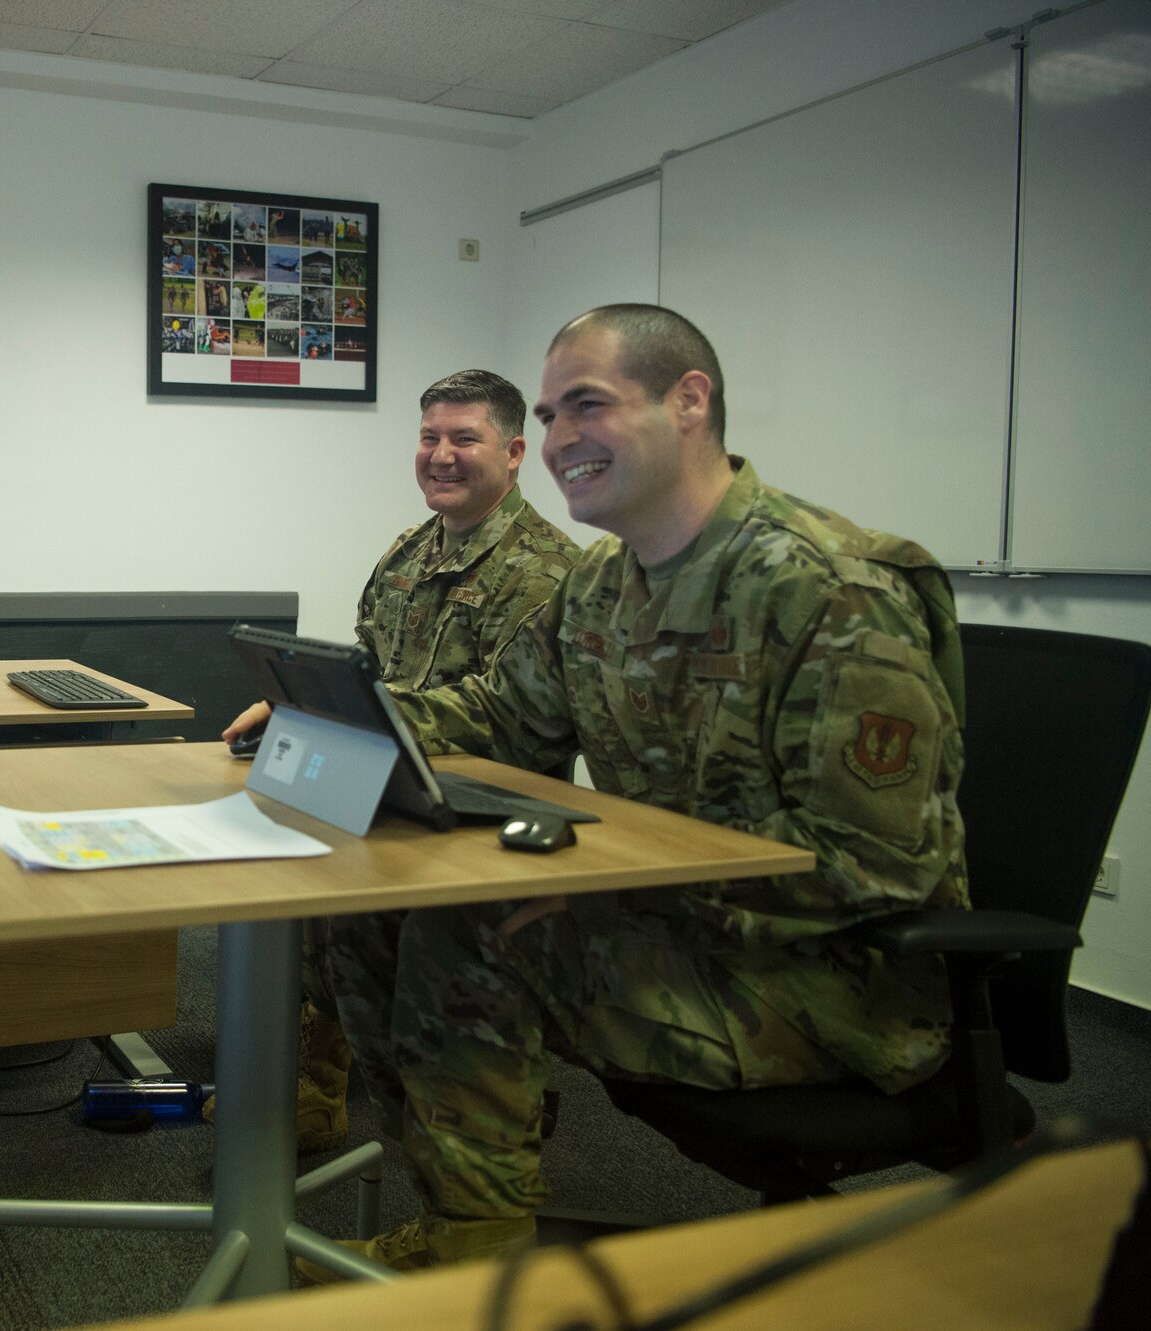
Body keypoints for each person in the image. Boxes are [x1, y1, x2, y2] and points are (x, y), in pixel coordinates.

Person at [310, 304, 967, 1278]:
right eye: (548, 413)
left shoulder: (828, 590)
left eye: (588, 405)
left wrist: (617, 885)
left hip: (828, 980)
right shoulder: (602, 587)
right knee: (377, 914)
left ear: (687, 401)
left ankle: (471, 1270)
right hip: (679, 930)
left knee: (468, 941)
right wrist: (339, 714)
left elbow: (872, 865)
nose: (560, 439)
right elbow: (496, 712)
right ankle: (458, 1220)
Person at [213, 369, 581, 1153]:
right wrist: (297, 705)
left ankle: (464, 1158)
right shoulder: (410, 553)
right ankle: (319, 1085)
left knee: (367, 927)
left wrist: (350, 718)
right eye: (428, 438)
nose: (440, 456)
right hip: (397, 788)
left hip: (484, 821)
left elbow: (501, 716)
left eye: (463, 439)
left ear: (514, 452)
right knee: (294, 871)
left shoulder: (545, 572)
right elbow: (368, 667)